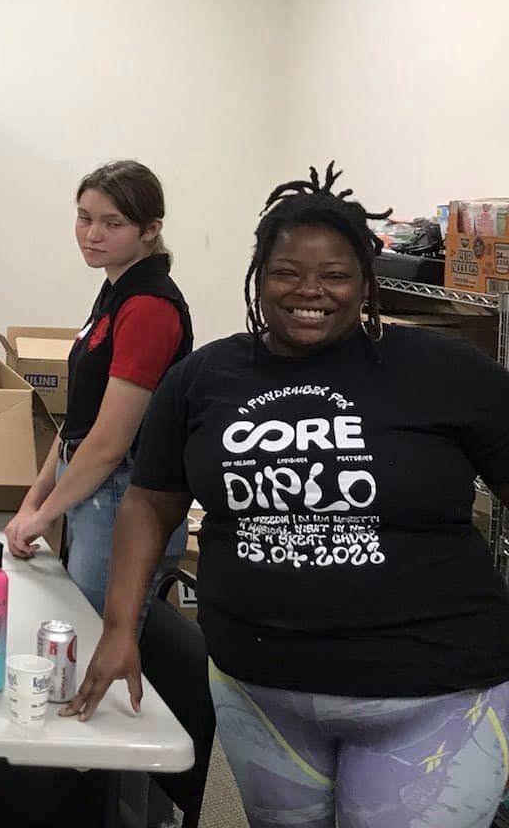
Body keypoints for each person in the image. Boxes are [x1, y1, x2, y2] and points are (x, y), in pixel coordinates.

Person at [65, 163, 509, 828]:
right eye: (287, 273)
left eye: (335, 275)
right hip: (260, 694)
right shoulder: (204, 379)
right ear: (257, 276)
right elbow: (150, 500)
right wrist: (121, 628)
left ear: (365, 281)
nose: (311, 292)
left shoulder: (446, 372)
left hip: (429, 696)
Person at [4, 160, 193, 614]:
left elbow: (109, 442)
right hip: (90, 485)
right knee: (77, 629)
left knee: (93, 639)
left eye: (113, 223)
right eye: (85, 218)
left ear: (150, 230)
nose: (93, 234)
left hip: (122, 496)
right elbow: (80, 417)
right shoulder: (117, 288)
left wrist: (42, 517)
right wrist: (34, 499)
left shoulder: (149, 306)